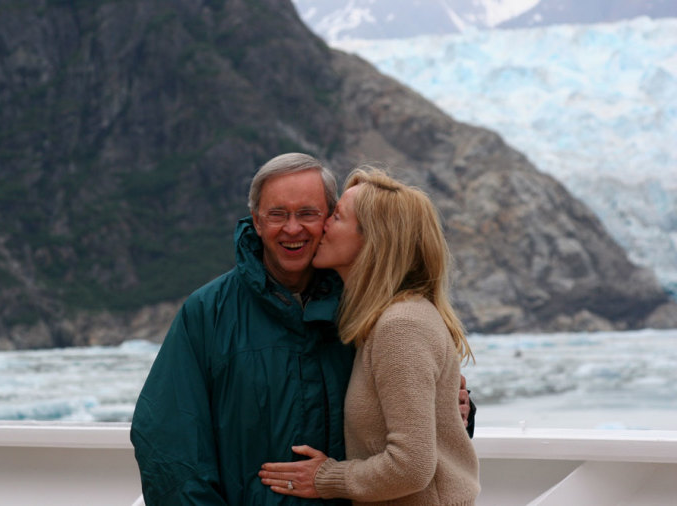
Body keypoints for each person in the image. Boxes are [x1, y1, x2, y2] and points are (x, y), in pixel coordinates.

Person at [130, 154, 475, 505]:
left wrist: (452, 410)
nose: (292, 228)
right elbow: (168, 445)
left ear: (327, 218)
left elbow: (410, 435)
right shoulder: (208, 312)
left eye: (308, 213)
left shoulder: (368, 311)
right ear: (257, 221)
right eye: (277, 214)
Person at [259, 168, 481, 505]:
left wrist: (327, 478)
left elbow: (412, 466)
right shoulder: (383, 321)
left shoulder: (400, 327)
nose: (324, 226)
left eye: (337, 217)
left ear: (372, 238)